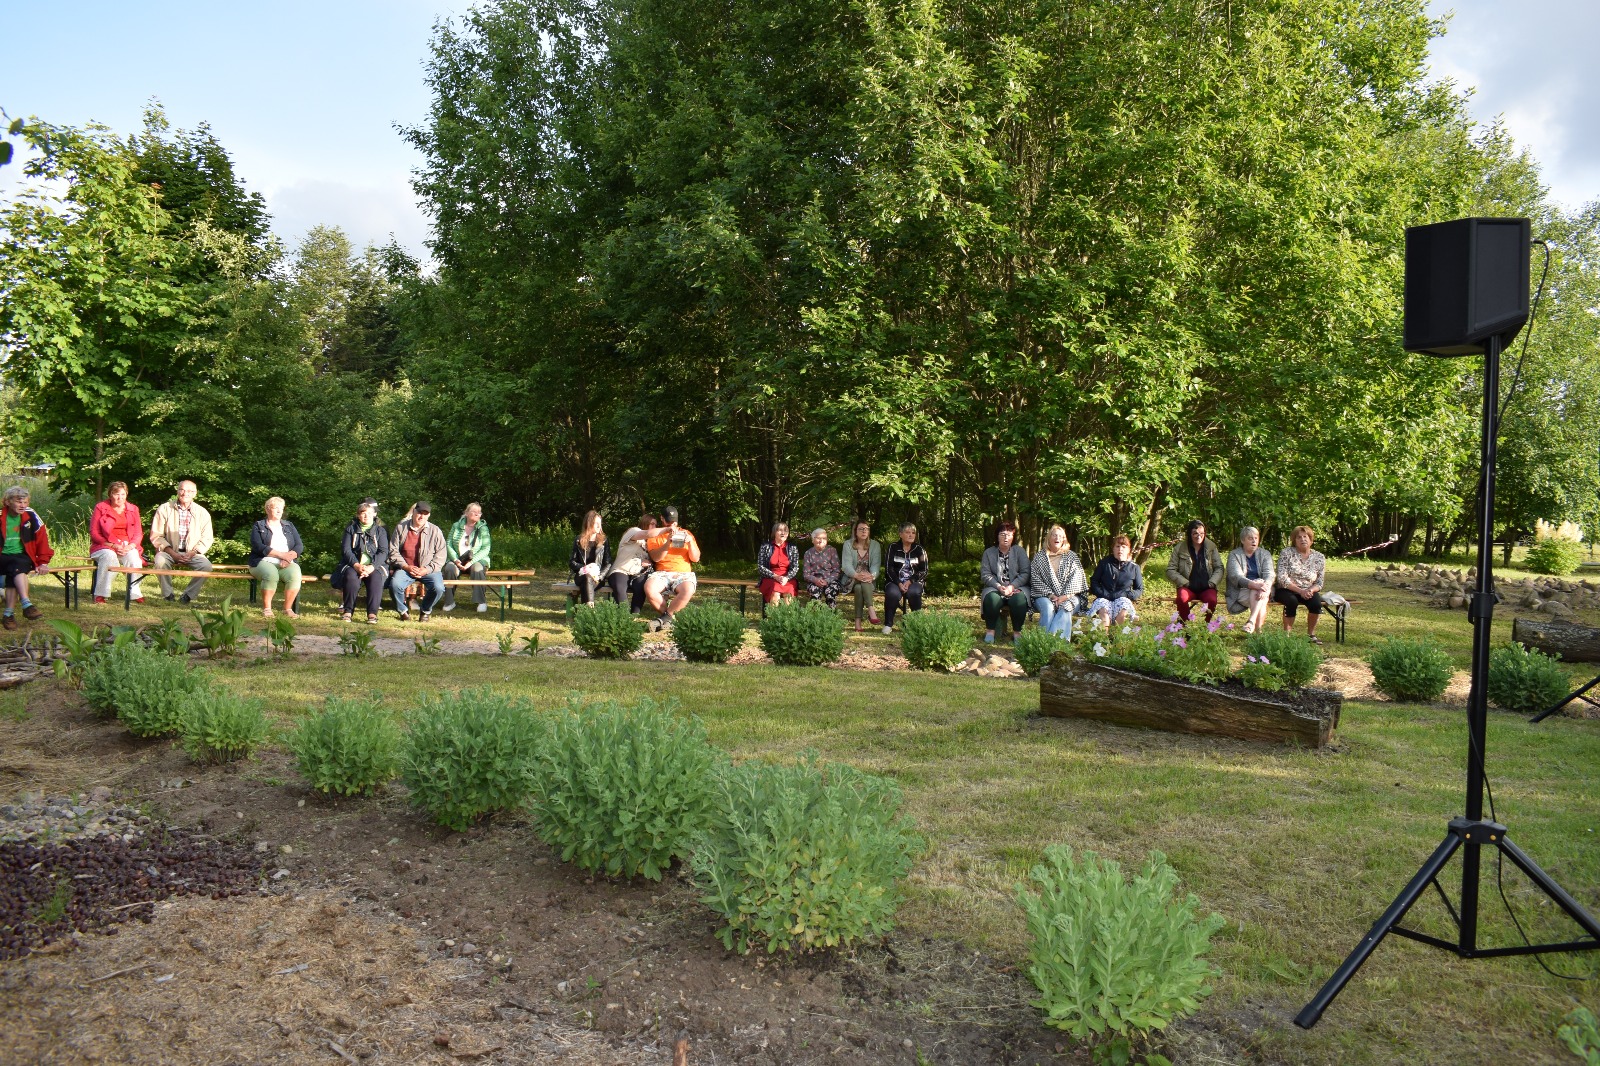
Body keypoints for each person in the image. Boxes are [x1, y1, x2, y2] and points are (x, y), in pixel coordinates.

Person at [148, 479, 215, 603]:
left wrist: (192, 553)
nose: (185, 493)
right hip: (168, 551)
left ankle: (188, 596)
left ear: (195, 493)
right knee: (160, 561)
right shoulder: (164, 509)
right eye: (182, 490)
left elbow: (207, 538)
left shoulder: (202, 513)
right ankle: (168, 595)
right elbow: (156, 535)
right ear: (177, 491)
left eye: (189, 491)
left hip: (192, 553)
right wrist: (173, 554)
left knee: (206, 566)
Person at [0, 487, 52, 630]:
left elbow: (42, 539)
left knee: (16, 568)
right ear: (8, 502)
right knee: (16, 567)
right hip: (2, 556)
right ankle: (26, 605)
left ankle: (9, 614)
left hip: (22, 556)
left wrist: (43, 562)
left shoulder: (31, 514)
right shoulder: (0, 515)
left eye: (25, 502)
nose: (23, 505)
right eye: (19, 502)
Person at [643, 505, 701, 631]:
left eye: (674, 522)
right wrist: (667, 543)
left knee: (688, 589)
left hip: (683, 573)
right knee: (649, 588)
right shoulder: (656, 535)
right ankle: (670, 618)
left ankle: (665, 618)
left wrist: (690, 542)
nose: (672, 525)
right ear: (662, 519)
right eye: (668, 522)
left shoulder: (686, 533)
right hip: (662, 572)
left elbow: (696, 558)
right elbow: (656, 558)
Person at [388, 501, 446, 621]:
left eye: (425, 514)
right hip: (405, 568)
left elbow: (441, 555)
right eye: (419, 513)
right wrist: (405, 566)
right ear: (414, 512)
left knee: (438, 588)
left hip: (428, 569)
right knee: (395, 585)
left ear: (429, 515)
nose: (422, 516)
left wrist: (427, 569)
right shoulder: (401, 528)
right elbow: (393, 551)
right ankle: (403, 611)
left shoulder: (435, 530)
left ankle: (425, 610)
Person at [247, 497, 304, 618]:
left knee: (295, 574)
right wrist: (282, 555)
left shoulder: (289, 525)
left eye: (281, 508)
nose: (279, 511)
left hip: (286, 561)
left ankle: (287, 609)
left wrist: (288, 558)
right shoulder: (259, 525)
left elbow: (299, 546)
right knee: (271, 574)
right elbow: (258, 546)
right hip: (262, 560)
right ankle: (267, 609)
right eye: (276, 508)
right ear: (268, 509)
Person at [88, 481, 144, 605]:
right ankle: (101, 593)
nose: (120, 498)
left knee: (134, 558)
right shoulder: (101, 507)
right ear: (110, 494)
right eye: (116, 494)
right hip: (104, 544)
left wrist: (130, 546)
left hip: (126, 545)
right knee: (109, 556)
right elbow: (94, 533)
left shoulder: (133, 509)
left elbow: (138, 533)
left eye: (123, 494)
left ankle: (134, 592)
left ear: (126, 494)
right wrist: (112, 545)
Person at [335, 498, 389, 624]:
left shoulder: (380, 531)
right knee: (350, 577)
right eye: (363, 513)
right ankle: (348, 611)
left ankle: (372, 614)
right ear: (358, 515)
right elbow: (346, 550)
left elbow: (383, 551)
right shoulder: (350, 529)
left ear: (374, 514)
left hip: (374, 565)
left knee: (376, 578)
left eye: (369, 513)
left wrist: (371, 566)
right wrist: (356, 565)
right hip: (353, 564)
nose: (366, 516)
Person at [1030, 524, 1088, 640]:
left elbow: (1077, 579)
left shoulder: (1071, 556)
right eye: (1054, 535)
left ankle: (1055, 642)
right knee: (1048, 607)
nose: (1057, 538)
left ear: (1063, 540)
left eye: (1060, 536)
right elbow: (1035, 579)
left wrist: (1065, 597)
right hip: (1044, 596)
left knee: (1066, 607)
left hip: (1070, 596)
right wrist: (1051, 595)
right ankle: (1043, 641)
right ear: (1049, 538)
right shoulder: (1039, 557)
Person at [981, 521, 1032, 643]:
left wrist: (1012, 586)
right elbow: (985, 574)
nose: (1006, 537)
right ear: (997, 536)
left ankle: (1017, 633)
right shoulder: (988, 553)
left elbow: (1026, 573)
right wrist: (999, 586)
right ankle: (990, 631)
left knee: (1019, 600)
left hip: (1017, 587)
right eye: (1002, 534)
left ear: (1013, 537)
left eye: (1009, 534)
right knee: (991, 599)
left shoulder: (1019, 551)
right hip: (995, 587)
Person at [1275, 525, 1328, 643]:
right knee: (1291, 601)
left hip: (1308, 590)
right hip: (1286, 589)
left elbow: (1319, 582)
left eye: (1305, 537)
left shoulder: (1319, 557)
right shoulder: (1286, 553)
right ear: (1294, 540)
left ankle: (1311, 635)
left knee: (1316, 603)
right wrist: (1300, 591)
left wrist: (1311, 590)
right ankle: (1286, 635)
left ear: (1311, 540)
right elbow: (1282, 578)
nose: (1302, 539)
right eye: (1299, 537)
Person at [1166, 519, 1224, 622]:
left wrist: (1211, 583)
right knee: (1182, 598)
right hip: (1187, 587)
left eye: (1201, 533)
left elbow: (1219, 567)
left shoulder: (1211, 547)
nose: (1199, 536)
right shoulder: (1180, 548)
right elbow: (1170, 569)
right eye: (1195, 533)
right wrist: (1185, 583)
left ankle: (1206, 625)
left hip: (1207, 587)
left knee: (1212, 600)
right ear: (1189, 534)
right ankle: (1185, 625)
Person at [442, 502, 492, 613]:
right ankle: (449, 602)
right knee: (449, 568)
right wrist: (455, 559)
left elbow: (486, 548)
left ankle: (481, 601)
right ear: (466, 513)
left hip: (476, 560)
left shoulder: (483, 528)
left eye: (479, 512)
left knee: (478, 569)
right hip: (458, 559)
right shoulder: (456, 526)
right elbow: (449, 543)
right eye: (474, 512)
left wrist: (471, 562)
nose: (477, 514)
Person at [1087, 534, 1143, 630]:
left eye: (1123, 547)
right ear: (1113, 549)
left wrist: (1127, 594)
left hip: (1123, 598)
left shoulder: (1134, 567)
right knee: (1103, 612)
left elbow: (1139, 589)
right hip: (1104, 597)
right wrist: (1102, 593)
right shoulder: (1104, 563)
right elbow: (1094, 581)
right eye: (1117, 546)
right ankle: (1103, 637)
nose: (1120, 549)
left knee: (1123, 609)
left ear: (1128, 549)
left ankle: (1117, 637)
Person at [1226, 525, 1276, 634]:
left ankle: (1251, 622)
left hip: (1263, 589)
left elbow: (1270, 574)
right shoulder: (1234, 555)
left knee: (1259, 591)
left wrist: (1264, 586)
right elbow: (1236, 576)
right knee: (1261, 599)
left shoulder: (1265, 554)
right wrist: (1255, 585)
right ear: (1242, 540)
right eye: (1250, 538)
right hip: (1241, 590)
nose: (1254, 541)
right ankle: (1258, 633)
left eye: (1256, 538)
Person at [571, 510, 627, 606]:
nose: (599, 526)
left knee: (587, 582)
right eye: (596, 523)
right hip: (582, 576)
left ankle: (587, 608)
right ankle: (589, 607)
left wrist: (600, 576)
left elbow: (608, 563)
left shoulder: (604, 540)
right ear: (589, 523)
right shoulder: (578, 540)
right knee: (587, 578)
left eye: (600, 523)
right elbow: (572, 562)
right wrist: (585, 568)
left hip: (597, 577)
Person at [882, 522, 928, 634]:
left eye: (913, 533)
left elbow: (924, 570)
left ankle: (916, 624)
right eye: (907, 532)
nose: (911, 535)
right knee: (892, 593)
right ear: (900, 534)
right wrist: (898, 582)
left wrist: (910, 581)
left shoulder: (919, 549)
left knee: (914, 592)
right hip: (895, 581)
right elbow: (888, 569)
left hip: (914, 581)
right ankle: (888, 624)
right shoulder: (893, 547)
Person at [612, 514, 658, 614]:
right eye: (652, 524)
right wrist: (667, 529)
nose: (654, 527)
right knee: (619, 587)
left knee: (641, 587)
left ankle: (634, 616)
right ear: (645, 523)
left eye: (655, 525)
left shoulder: (652, 542)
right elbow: (647, 533)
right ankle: (624, 616)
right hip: (621, 569)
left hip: (639, 572)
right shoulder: (634, 531)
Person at [840, 521, 882, 632]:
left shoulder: (875, 545)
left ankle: (858, 623)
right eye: (861, 529)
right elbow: (846, 565)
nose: (864, 531)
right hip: (851, 579)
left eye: (866, 529)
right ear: (855, 531)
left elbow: (876, 565)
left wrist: (872, 576)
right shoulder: (848, 544)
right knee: (859, 584)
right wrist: (856, 575)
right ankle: (871, 611)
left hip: (869, 580)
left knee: (859, 588)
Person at [803, 527, 851, 608]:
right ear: (812, 540)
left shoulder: (832, 551)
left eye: (824, 538)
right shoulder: (808, 553)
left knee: (831, 592)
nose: (821, 540)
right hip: (814, 581)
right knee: (814, 593)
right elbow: (806, 574)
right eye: (818, 538)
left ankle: (830, 614)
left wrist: (827, 581)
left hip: (830, 580)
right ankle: (816, 614)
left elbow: (837, 571)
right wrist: (815, 580)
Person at [756, 521, 801, 605]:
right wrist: (775, 576)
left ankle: (788, 614)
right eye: (780, 530)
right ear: (774, 532)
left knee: (788, 594)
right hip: (770, 577)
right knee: (775, 592)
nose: (783, 533)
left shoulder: (792, 548)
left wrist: (786, 578)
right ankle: (773, 614)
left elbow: (795, 567)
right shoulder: (765, 546)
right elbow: (760, 566)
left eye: (785, 530)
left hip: (788, 578)